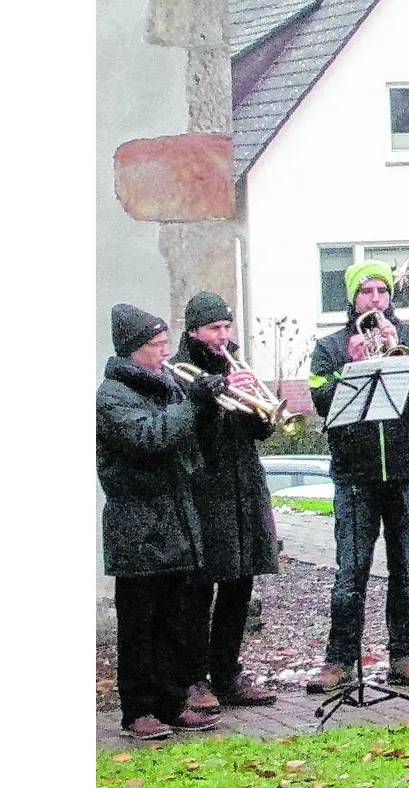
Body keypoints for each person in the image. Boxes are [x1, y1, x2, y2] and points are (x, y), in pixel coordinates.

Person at [305, 261, 409, 691]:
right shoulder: (329, 347)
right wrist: (351, 366)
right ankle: (339, 661)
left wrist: (398, 347)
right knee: (351, 570)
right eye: (365, 292)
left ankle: (404, 656)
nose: (375, 299)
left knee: (407, 569)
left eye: (381, 291)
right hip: (355, 474)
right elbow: (322, 401)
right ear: (352, 298)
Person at [98, 303, 223, 739]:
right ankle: (138, 711)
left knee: (175, 620)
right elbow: (149, 438)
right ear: (133, 350)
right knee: (140, 623)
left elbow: (189, 443)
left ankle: (171, 703)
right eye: (156, 345)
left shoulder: (168, 384)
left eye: (166, 342)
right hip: (138, 524)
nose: (166, 352)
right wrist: (194, 403)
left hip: (176, 517)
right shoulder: (112, 396)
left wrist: (211, 406)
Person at [170, 292, 280, 710]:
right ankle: (194, 679)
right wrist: (212, 397)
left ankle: (228, 673)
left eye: (226, 327)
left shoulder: (237, 363)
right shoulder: (181, 373)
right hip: (206, 489)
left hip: (244, 485)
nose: (222, 336)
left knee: (240, 585)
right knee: (200, 592)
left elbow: (261, 433)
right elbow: (192, 435)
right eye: (214, 328)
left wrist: (261, 409)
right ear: (194, 330)